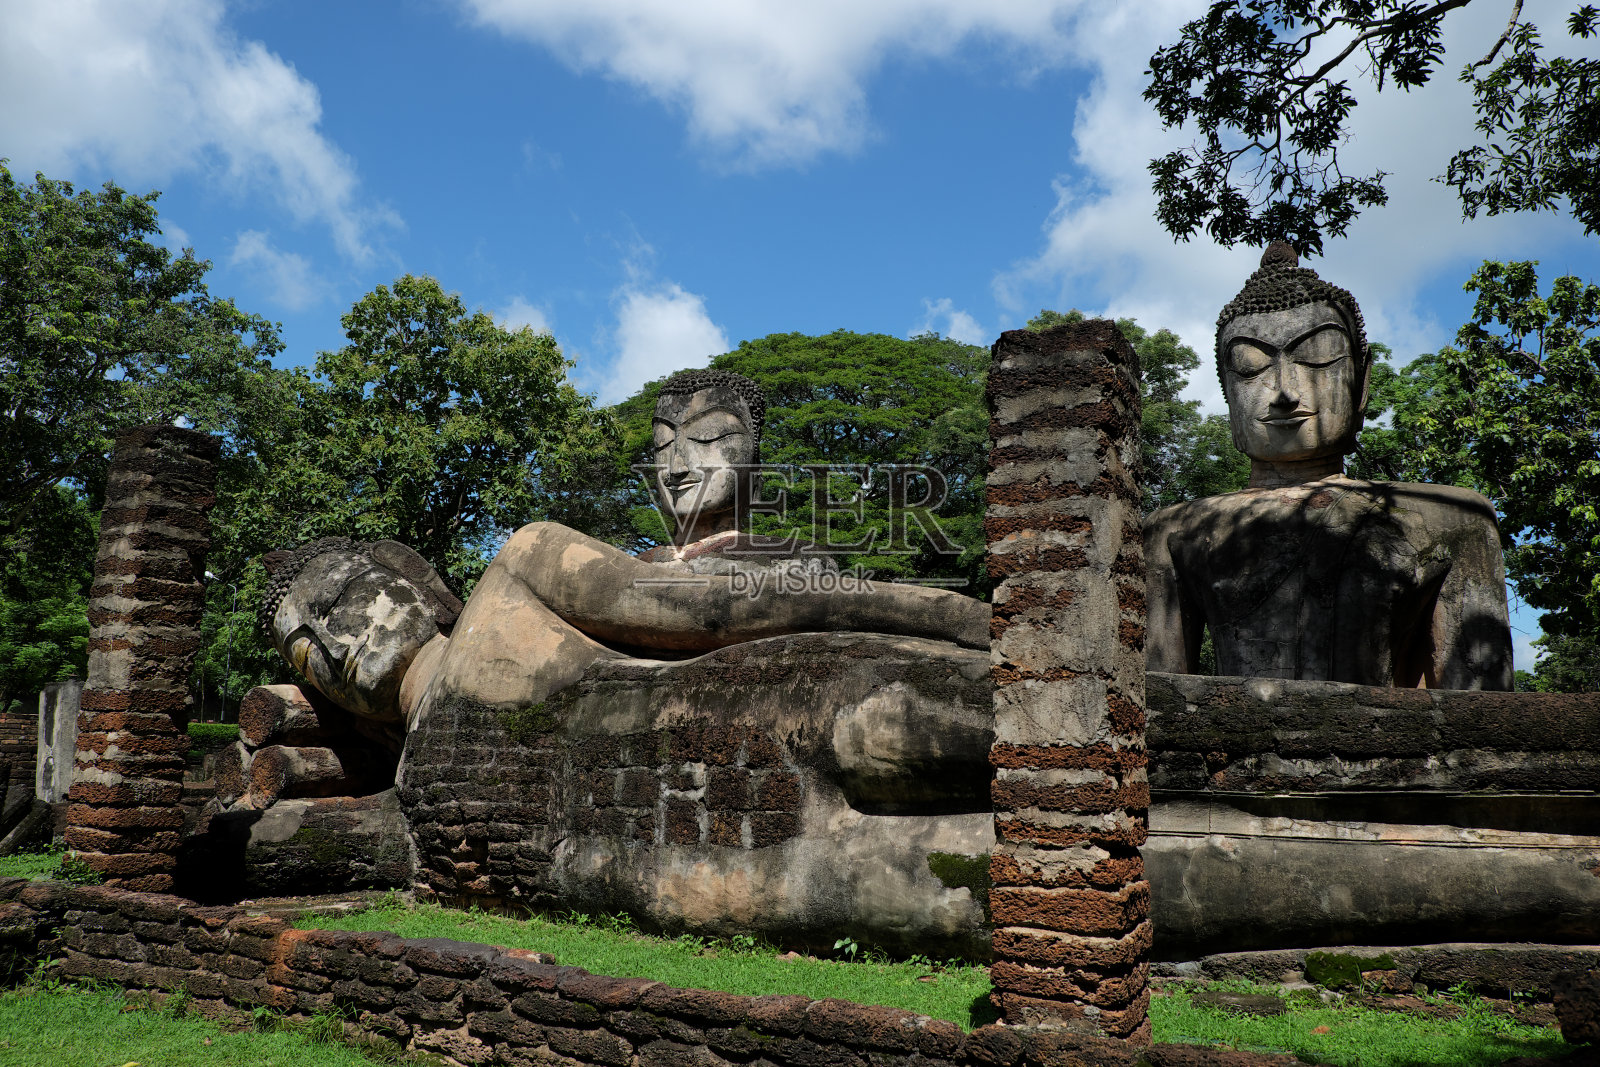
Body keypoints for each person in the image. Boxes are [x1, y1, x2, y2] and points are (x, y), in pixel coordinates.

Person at [263, 369, 988, 728]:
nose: (680, 466)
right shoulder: (619, 573)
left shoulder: (797, 560)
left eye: (708, 440)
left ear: (756, 452)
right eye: (666, 447)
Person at [1144, 243, 1513, 689]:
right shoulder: (1174, 531)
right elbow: (1154, 696)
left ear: (1362, 382)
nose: (1284, 392)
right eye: (1250, 366)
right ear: (1227, 393)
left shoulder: (1454, 520)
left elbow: (1477, 711)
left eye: (1317, 357)